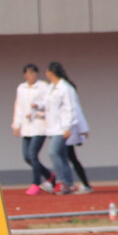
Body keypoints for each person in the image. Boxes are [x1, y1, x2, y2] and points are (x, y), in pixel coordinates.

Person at [12, 64, 54, 195]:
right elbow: (18, 107)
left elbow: (49, 106)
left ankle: (36, 183)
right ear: (25, 75)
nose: (31, 76)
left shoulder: (43, 86)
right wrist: (16, 125)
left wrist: (37, 113)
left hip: (40, 126)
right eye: (29, 73)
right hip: (26, 127)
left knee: (32, 154)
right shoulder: (21, 88)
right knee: (27, 157)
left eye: (34, 73)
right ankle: (49, 175)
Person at [41, 61, 79, 195]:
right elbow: (46, 104)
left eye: (47, 71)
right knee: (62, 156)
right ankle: (68, 184)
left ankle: (61, 181)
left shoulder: (65, 88)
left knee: (53, 152)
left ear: (51, 73)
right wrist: (37, 106)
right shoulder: (51, 88)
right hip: (52, 127)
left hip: (62, 127)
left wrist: (68, 127)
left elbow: (70, 108)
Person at [65, 79, 92, 194]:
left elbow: (78, 116)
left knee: (69, 158)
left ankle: (70, 184)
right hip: (66, 134)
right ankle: (82, 184)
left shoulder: (72, 103)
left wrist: (82, 132)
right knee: (70, 158)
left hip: (68, 135)